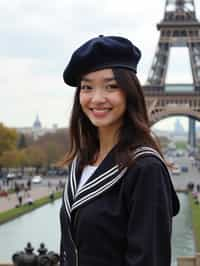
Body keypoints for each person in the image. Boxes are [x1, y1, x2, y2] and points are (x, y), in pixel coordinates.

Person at [60, 35, 180, 266]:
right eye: (87, 87)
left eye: (111, 86)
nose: (97, 98)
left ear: (129, 92)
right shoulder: (82, 161)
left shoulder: (146, 169)